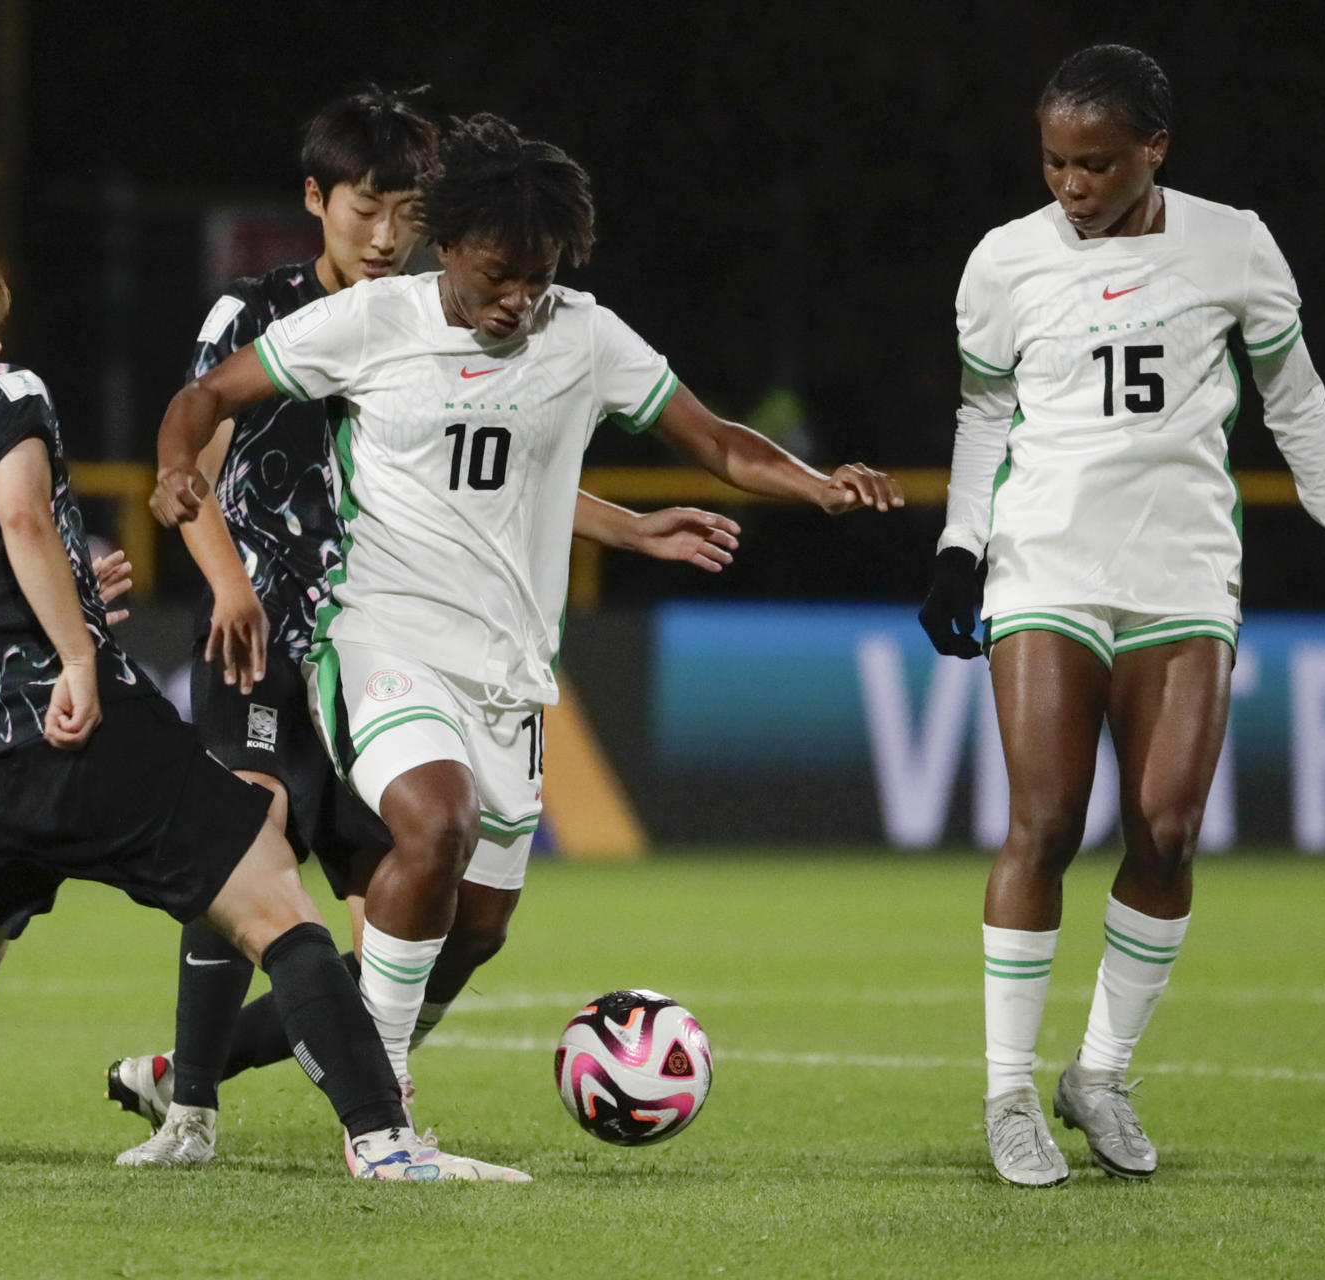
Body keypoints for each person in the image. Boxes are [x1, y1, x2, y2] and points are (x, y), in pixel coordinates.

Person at [149, 112, 903, 1138]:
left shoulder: (583, 334)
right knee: (435, 819)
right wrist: (175, 464)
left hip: (509, 665)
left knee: (474, 930)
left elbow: (716, 439)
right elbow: (206, 396)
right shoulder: (374, 322)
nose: (518, 298)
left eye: (538, 275)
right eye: (499, 274)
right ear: (448, 243)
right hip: (380, 633)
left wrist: (818, 487)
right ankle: (382, 1117)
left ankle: (198, 1065)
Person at [0, 177, 526, 1181]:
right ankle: (384, 1140)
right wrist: (73, 651)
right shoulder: (2, 392)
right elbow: (21, 514)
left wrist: (62, 595)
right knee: (278, 902)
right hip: (78, 724)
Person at [917, 44, 1325, 1187]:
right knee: (1044, 820)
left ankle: (1099, 1072)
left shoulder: (1232, 243)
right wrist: (959, 548)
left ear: (1155, 149)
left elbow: (1297, 403)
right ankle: (1006, 1093)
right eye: (1053, 160)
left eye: (1096, 162)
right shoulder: (1004, 262)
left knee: (1168, 827)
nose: (1071, 185)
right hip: (1045, 561)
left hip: (1185, 569)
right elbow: (982, 415)